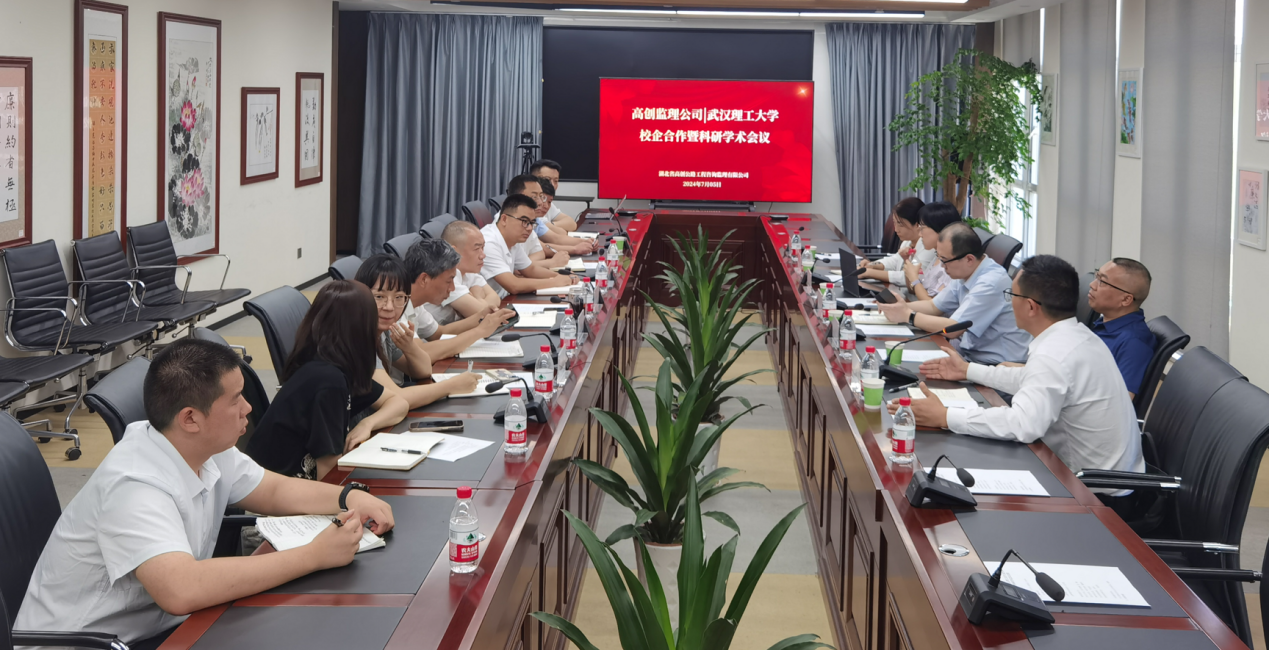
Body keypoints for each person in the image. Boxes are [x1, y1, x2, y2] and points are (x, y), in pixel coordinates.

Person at [16, 338, 395, 649]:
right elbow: (181, 589)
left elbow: (273, 488)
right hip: (91, 642)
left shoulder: (203, 447)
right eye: (235, 399)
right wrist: (313, 555)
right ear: (190, 418)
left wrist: (348, 497)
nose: (248, 408)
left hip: (154, 627)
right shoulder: (134, 484)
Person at [891, 255, 1145, 495]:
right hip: (1098, 475)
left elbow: (1023, 425)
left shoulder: (1055, 353)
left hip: (1095, 492)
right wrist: (968, 370)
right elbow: (1032, 380)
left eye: (1011, 295)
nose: (1009, 302)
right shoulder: (1076, 335)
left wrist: (945, 416)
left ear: (1031, 306)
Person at [246, 281, 410, 480]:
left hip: (284, 485)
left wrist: (366, 424)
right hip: (277, 491)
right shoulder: (328, 381)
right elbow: (330, 477)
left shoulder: (333, 364)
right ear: (361, 328)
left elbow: (398, 403)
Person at [878, 222, 1031, 364]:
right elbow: (933, 306)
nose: (942, 266)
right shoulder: (967, 271)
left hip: (996, 367)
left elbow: (953, 329)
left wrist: (908, 315)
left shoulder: (990, 282)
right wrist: (899, 306)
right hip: (972, 358)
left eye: (944, 260)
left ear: (969, 259)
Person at [353, 253, 482, 409]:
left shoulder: (385, 330)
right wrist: (452, 385)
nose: (389, 307)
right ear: (360, 295)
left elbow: (424, 371)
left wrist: (409, 347)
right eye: (379, 297)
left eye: (399, 297)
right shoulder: (356, 339)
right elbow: (395, 398)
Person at [402, 238, 517, 360]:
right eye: (448, 281)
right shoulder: (396, 304)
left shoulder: (416, 303)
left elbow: (438, 333)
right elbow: (422, 353)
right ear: (424, 279)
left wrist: (481, 316)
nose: (452, 288)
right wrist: (480, 331)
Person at [481, 193, 579, 296]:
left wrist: (560, 277)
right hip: (492, 304)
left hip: (505, 299)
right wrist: (555, 282)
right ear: (504, 219)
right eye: (524, 221)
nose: (529, 228)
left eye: (532, 223)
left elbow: (530, 270)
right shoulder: (488, 243)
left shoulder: (513, 239)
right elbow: (514, 285)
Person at [1087, 258, 1156, 398]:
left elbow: (1120, 403)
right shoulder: (1106, 323)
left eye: (1102, 281)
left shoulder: (1134, 344)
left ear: (1126, 299)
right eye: (1097, 276)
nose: (1092, 285)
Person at [502, 174, 594, 264]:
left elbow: (541, 251)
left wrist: (586, 242)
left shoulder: (531, 221)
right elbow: (519, 268)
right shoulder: (509, 224)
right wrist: (553, 261)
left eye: (541, 197)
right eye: (534, 197)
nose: (540, 203)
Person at [432, 220, 504, 323]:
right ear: (454, 251)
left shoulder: (468, 271)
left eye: (483, 248)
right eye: (477, 249)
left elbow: (496, 298)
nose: (483, 255)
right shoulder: (444, 275)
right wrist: (478, 296)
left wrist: (477, 301)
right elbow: (480, 313)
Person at [858, 197, 934, 290]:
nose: (896, 229)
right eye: (894, 223)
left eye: (900, 224)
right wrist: (872, 265)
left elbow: (912, 277)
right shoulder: (907, 241)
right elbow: (894, 261)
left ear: (917, 224)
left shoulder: (929, 246)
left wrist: (869, 273)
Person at [904, 202, 961, 301]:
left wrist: (914, 278)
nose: (920, 234)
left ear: (941, 229)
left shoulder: (950, 264)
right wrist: (909, 267)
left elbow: (933, 306)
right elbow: (913, 290)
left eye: (922, 228)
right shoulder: (937, 256)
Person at [530, 159, 579, 231]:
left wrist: (549, 225)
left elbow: (572, 224)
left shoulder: (547, 203)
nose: (552, 185)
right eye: (547, 179)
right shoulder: (526, 205)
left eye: (556, 181)